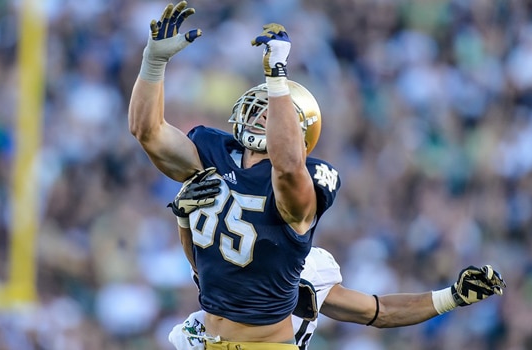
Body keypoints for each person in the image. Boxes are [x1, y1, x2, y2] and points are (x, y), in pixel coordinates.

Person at [128, 1, 341, 348]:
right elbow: (147, 131)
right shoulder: (214, 152)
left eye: (269, 110)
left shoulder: (305, 181)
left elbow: (288, 168)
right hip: (208, 338)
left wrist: (277, 77)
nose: (258, 115)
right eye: (258, 107)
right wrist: (153, 62)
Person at [166, 177, 507, 350]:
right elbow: (203, 274)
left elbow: (380, 311)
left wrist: (453, 297)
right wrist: (183, 221)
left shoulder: (313, 266)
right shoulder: (238, 244)